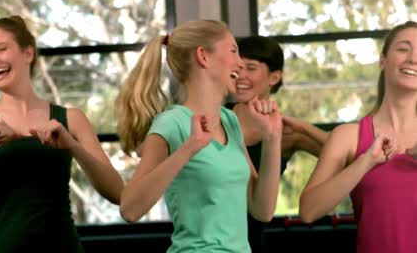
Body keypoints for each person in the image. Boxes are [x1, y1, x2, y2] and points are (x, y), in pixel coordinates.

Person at [0, 16, 124, 253]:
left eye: (1, 49)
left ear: (28, 54)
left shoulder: (71, 118)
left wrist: (72, 145)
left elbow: (118, 193)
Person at [116, 20, 282, 252]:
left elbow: (262, 210)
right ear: (203, 56)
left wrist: (273, 137)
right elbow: (130, 209)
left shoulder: (230, 121)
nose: (240, 63)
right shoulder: (171, 123)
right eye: (233, 51)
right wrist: (190, 147)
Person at [299, 21, 417, 253]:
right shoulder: (347, 136)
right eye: (403, 48)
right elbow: (308, 210)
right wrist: (365, 162)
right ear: (382, 61)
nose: (413, 58)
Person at [226, 35, 330, 252]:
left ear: (274, 77)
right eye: (238, 67)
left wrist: (304, 128)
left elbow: (348, 154)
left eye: (251, 67)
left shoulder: (288, 133)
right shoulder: (213, 120)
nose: (240, 75)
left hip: (250, 244)